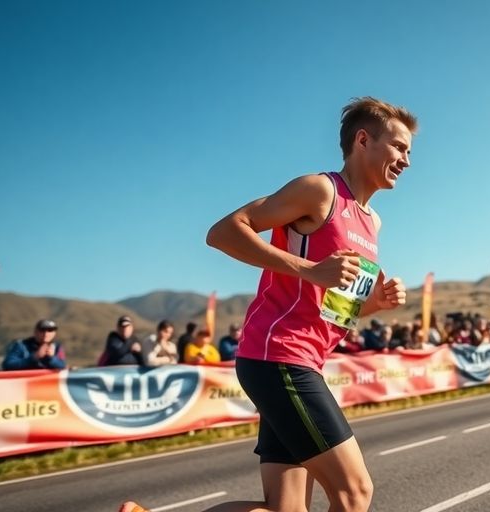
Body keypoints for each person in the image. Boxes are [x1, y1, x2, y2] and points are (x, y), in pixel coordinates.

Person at [127, 97, 414, 512]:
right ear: (363, 139)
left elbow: (331, 308)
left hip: (302, 359)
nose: (406, 159)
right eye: (399, 146)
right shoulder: (320, 191)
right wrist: (309, 269)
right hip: (279, 356)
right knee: (355, 494)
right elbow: (224, 232)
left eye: (409, 151)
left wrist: (374, 305)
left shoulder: (373, 221)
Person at [3, 319, 67, 370]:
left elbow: (62, 365)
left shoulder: (57, 347)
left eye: (50, 330)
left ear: (54, 333)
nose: (46, 334)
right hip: (25, 384)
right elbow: (7, 365)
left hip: (48, 385)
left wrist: (51, 358)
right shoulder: (21, 345)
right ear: (35, 332)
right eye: (42, 330)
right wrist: (34, 357)